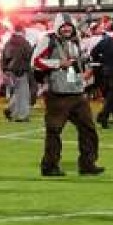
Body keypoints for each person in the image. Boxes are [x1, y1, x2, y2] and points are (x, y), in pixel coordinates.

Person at [32, 13, 103, 177]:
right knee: (54, 131)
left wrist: (86, 67)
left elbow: (78, 62)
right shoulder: (48, 39)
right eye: (63, 26)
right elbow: (35, 61)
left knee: (88, 129)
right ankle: (50, 166)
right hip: (58, 94)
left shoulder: (76, 41)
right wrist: (58, 63)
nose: (66, 29)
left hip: (77, 92)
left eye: (69, 26)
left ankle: (88, 163)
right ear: (57, 27)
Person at [2, 24, 34, 122]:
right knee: (24, 93)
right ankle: (22, 116)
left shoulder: (8, 42)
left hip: (9, 70)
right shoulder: (24, 42)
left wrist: (5, 70)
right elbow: (29, 55)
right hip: (21, 69)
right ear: (23, 30)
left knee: (18, 91)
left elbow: (3, 56)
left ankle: (10, 109)